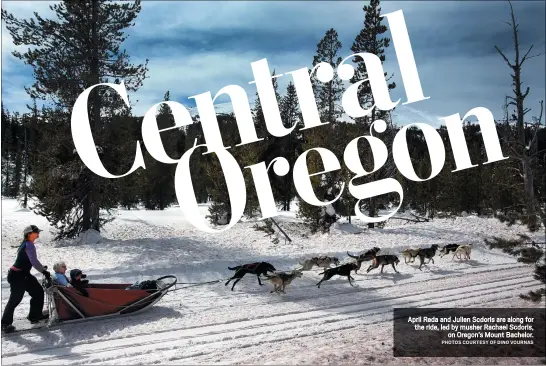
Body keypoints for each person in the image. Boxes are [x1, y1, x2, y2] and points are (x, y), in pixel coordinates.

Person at [1, 225, 51, 333]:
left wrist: (42, 268)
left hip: (24, 274)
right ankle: (5, 324)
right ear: (29, 234)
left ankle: (35, 316)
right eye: (36, 232)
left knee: (38, 292)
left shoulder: (28, 244)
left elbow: (31, 260)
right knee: (15, 299)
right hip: (17, 276)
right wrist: (44, 271)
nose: (38, 234)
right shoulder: (29, 245)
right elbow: (34, 261)